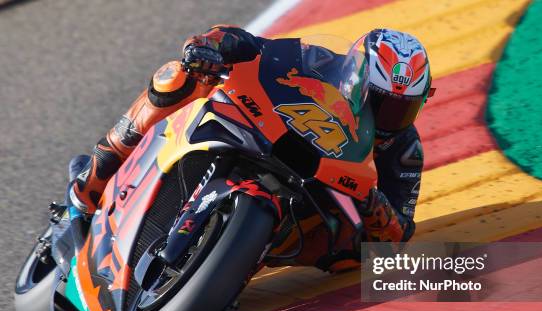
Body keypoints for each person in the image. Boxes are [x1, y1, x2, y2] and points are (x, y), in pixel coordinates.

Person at [69, 25, 431, 244]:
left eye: (405, 109)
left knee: (355, 254)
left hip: (318, 208)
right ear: (358, 79)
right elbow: (254, 45)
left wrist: (376, 206)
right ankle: (94, 177)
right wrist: (212, 46)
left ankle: (227, 266)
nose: (391, 119)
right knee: (177, 77)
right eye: (383, 104)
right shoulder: (322, 61)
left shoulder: (405, 150)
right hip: (270, 138)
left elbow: (401, 233)